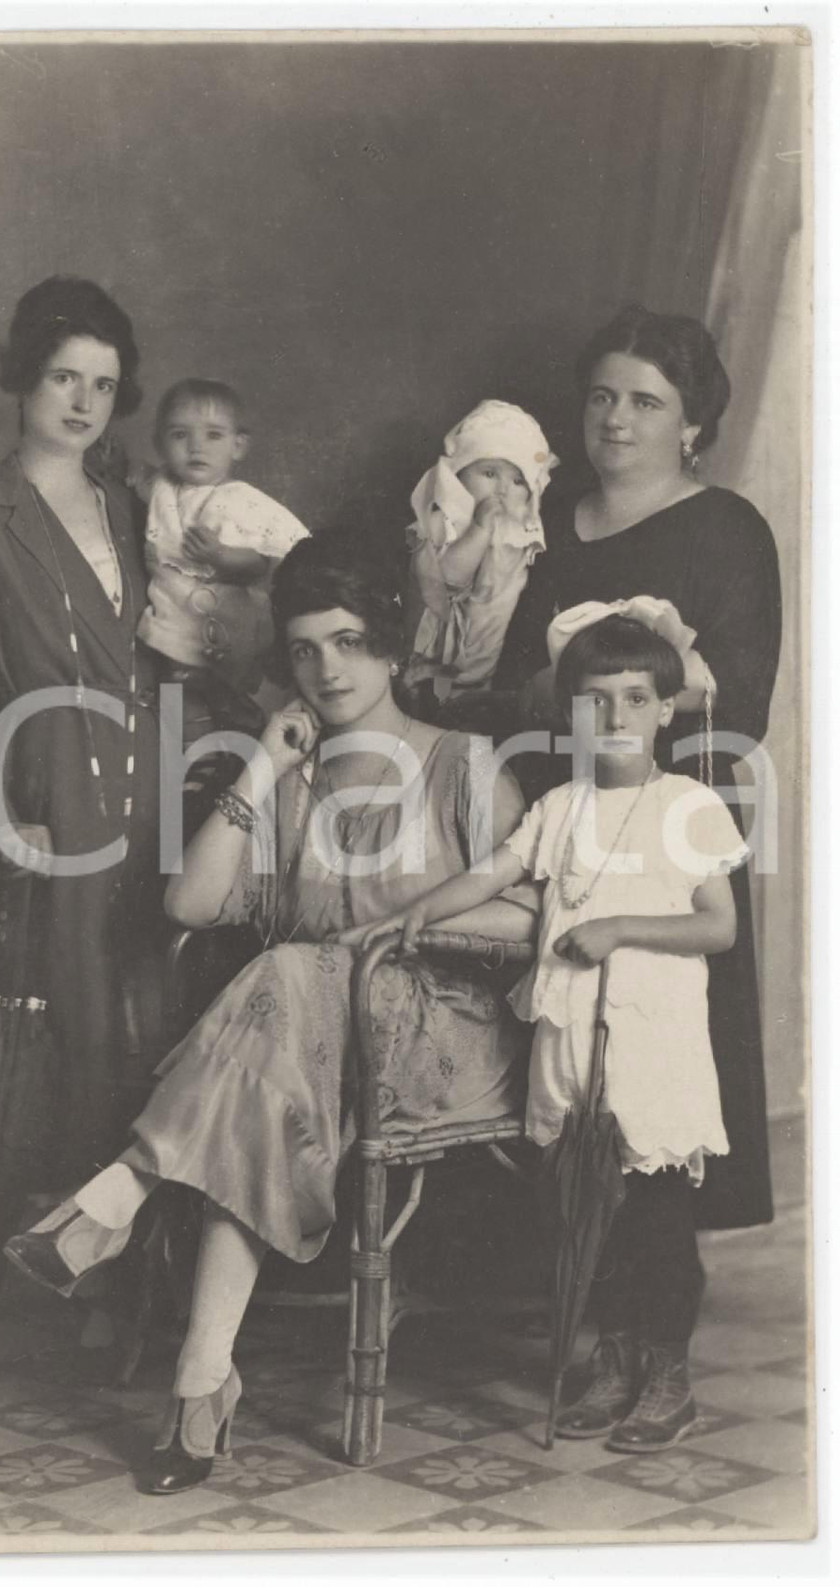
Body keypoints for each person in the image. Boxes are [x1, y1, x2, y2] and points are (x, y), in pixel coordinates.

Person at [5, 534, 537, 1494]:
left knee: (287, 981)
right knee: (274, 1039)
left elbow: (532, 913)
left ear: (390, 647)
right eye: (303, 649)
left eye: (348, 642)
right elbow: (189, 905)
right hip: (304, 1048)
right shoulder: (292, 785)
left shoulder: (463, 764)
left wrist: (402, 923)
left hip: (445, 1034)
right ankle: (201, 1379)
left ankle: (119, 1199)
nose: (327, 668)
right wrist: (258, 767)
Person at [356, 612, 748, 1452]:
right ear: (566, 711)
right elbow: (494, 873)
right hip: (571, 1052)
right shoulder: (560, 807)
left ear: (665, 709)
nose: (613, 719)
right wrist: (420, 910)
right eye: (593, 700)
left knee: (655, 1222)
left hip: (654, 1054)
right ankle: (611, 1364)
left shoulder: (688, 805)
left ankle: (666, 1375)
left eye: (635, 699)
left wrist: (619, 928)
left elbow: (718, 926)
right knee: (586, 1217)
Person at [495, 305, 782, 1231]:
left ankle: (656, 1326)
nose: (616, 418)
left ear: (692, 424)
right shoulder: (551, 528)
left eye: (647, 402)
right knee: (563, 1058)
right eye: (602, 396)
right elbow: (510, 688)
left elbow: (738, 695)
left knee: (660, 1063)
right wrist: (559, 686)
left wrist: (622, 686)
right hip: (566, 811)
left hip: (672, 816)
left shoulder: (727, 528)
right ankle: (574, 1295)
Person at [0, 275, 165, 1188]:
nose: (83, 403)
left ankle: (159, 1260)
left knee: (168, 997)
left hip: (162, 779)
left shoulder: (133, 509)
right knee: (89, 1016)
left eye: (103, 386)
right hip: (57, 791)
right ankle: (80, 1258)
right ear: (24, 378)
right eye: (64, 378)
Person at [136, 378, 309, 725]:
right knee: (173, 674)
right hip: (175, 606)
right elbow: (133, 479)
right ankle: (183, 713)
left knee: (218, 667)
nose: (196, 447)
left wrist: (221, 555)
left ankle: (227, 703)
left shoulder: (239, 500)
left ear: (238, 445)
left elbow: (258, 566)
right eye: (180, 435)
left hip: (222, 611)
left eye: (213, 435)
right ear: (159, 443)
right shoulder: (162, 485)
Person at [404, 399, 556, 704]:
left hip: (488, 648)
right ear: (458, 474)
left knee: (474, 699)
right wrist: (479, 530)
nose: (502, 490)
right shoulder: (444, 520)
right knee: (432, 695)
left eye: (517, 481)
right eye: (489, 474)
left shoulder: (521, 528)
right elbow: (447, 580)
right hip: (438, 646)